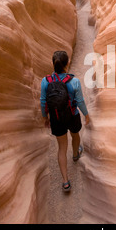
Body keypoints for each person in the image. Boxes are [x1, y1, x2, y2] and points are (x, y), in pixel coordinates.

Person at [40, 51, 90, 192]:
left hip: (56, 118)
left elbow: (43, 101)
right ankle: (75, 154)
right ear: (67, 64)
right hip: (72, 116)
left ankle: (65, 182)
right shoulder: (73, 81)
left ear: (53, 63)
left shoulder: (46, 81)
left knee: (62, 148)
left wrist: (45, 118)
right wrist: (86, 114)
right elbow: (79, 101)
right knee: (75, 135)